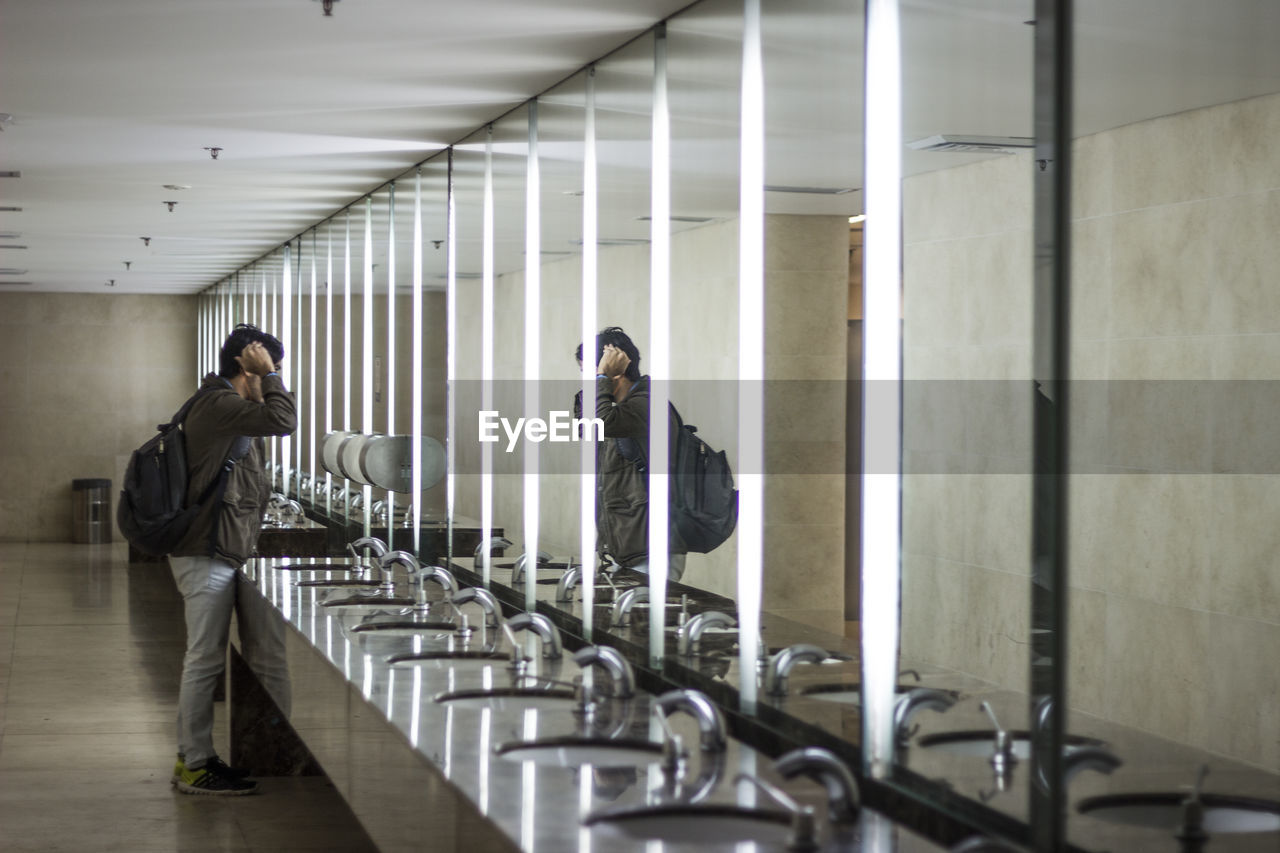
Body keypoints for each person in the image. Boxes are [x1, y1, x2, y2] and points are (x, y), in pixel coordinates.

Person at [168, 323, 297, 795]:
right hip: (205, 551)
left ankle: (199, 757)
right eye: (270, 368)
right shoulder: (220, 405)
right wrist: (271, 378)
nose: (275, 377)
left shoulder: (227, 408)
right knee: (203, 659)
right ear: (248, 366)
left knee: (204, 658)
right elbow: (285, 421)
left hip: (217, 548)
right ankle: (194, 763)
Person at [576, 327, 686, 581]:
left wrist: (603, 375)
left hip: (652, 549)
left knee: (641, 621)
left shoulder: (647, 405)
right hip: (628, 548)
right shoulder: (618, 410)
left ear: (615, 369)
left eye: (589, 372)